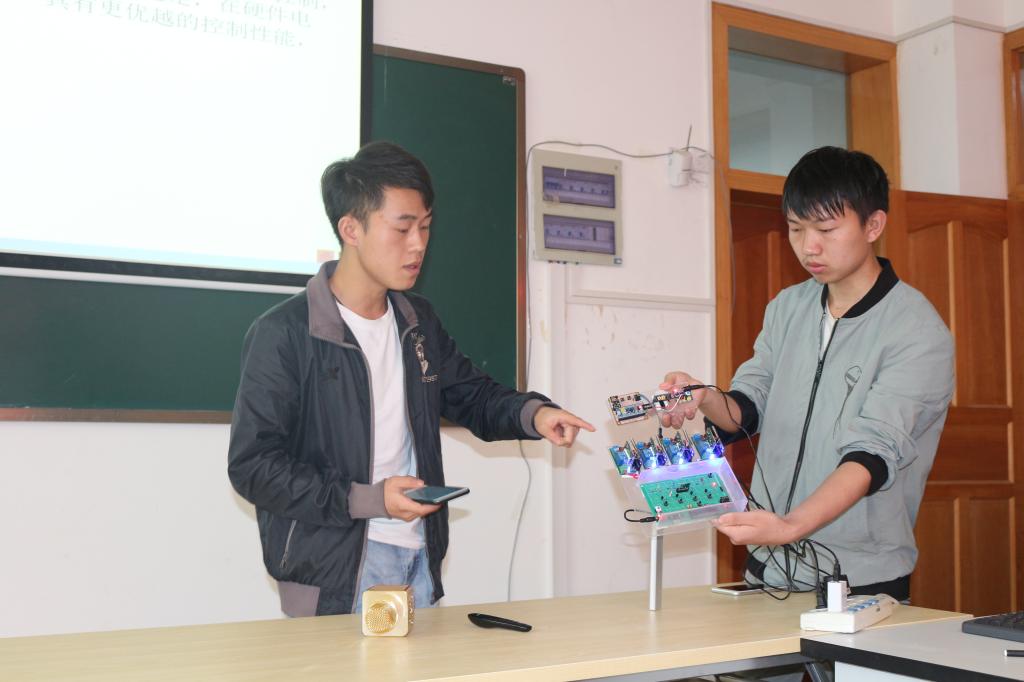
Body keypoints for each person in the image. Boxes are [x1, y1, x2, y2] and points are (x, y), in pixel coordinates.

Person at [228, 141, 594, 617]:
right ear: (351, 229)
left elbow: (470, 395)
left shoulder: (416, 321)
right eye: (402, 228)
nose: (419, 244)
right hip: (332, 571)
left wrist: (534, 414)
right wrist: (368, 499)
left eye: (425, 226)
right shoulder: (285, 333)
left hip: (418, 553)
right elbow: (254, 466)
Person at [660, 146, 954, 601]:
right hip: (769, 565)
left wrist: (790, 526)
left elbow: (872, 456)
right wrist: (705, 398)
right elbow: (749, 407)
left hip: (858, 576)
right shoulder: (787, 307)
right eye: (796, 229)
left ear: (873, 225)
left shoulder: (916, 331)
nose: (808, 247)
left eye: (826, 230)